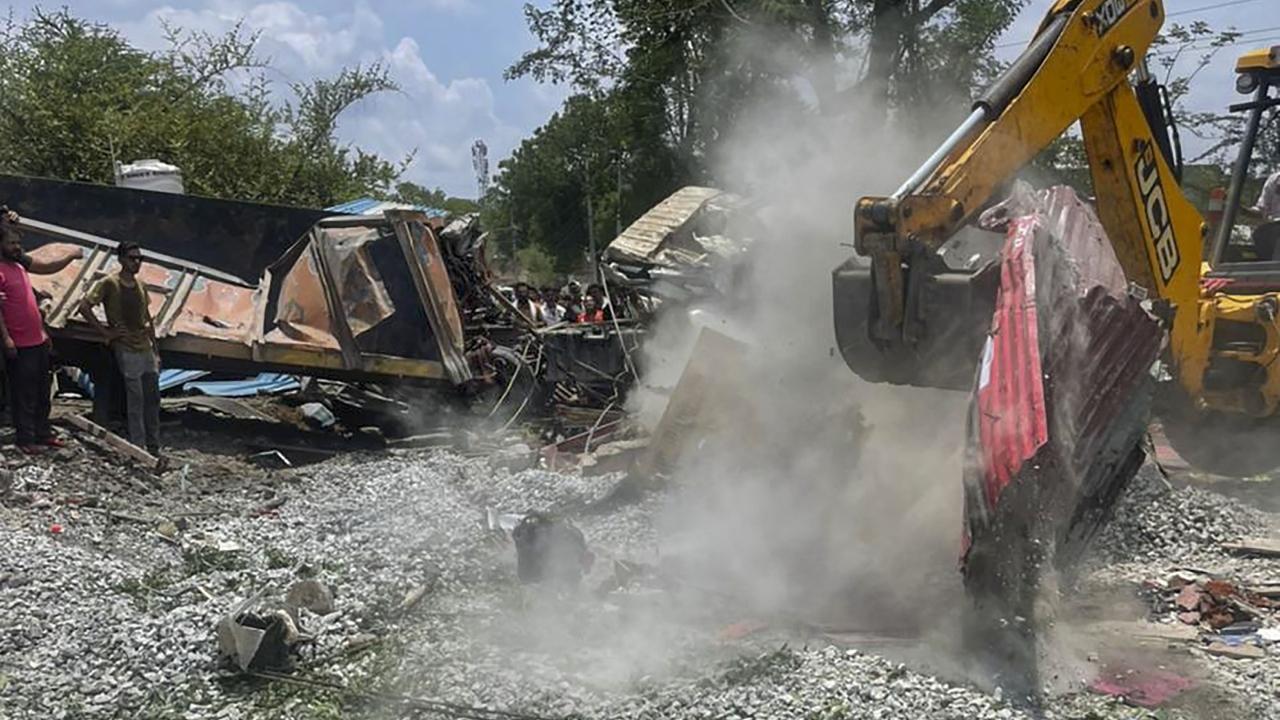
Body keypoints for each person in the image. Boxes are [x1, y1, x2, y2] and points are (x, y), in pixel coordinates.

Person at [0, 213, 83, 454]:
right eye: (11, 243)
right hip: (19, 343)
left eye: (18, 243)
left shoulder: (19, 265)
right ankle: (26, 439)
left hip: (36, 340)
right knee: (23, 393)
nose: (16, 247)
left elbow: (32, 300)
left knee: (41, 391)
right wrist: (6, 338)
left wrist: (43, 332)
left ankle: (43, 432)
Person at [77, 242, 162, 455]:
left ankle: (154, 445)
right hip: (126, 348)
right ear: (121, 260)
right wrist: (106, 334)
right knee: (135, 399)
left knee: (152, 399)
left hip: (145, 347)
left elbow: (147, 318)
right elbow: (84, 306)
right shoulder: (109, 283)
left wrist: (156, 350)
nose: (136, 263)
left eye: (139, 259)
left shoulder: (140, 285)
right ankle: (138, 446)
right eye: (132, 258)